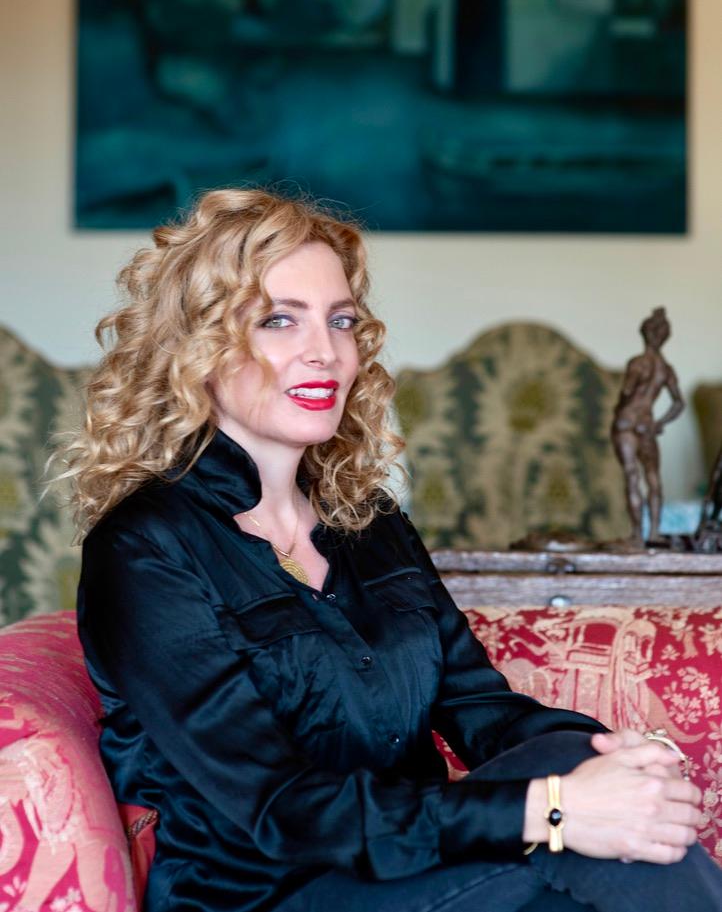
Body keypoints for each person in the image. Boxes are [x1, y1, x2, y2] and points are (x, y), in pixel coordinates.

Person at [63, 189, 721, 912]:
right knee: (592, 846)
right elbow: (280, 808)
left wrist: (616, 764)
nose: (326, 351)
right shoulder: (143, 547)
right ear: (199, 346)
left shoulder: (369, 524)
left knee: (593, 807)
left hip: (414, 872)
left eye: (341, 320)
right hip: (270, 896)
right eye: (279, 319)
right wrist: (556, 809)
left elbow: (482, 709)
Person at [611, 307, 685, 542]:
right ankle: (654, 532)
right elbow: (678, 403)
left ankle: (636, 535)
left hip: (627, 422)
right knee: (653, 479)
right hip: (647, 424)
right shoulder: (666, 369)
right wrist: (659, 423)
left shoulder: (638, 363)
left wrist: (617, 410)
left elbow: (626, 391)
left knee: (632, 476)